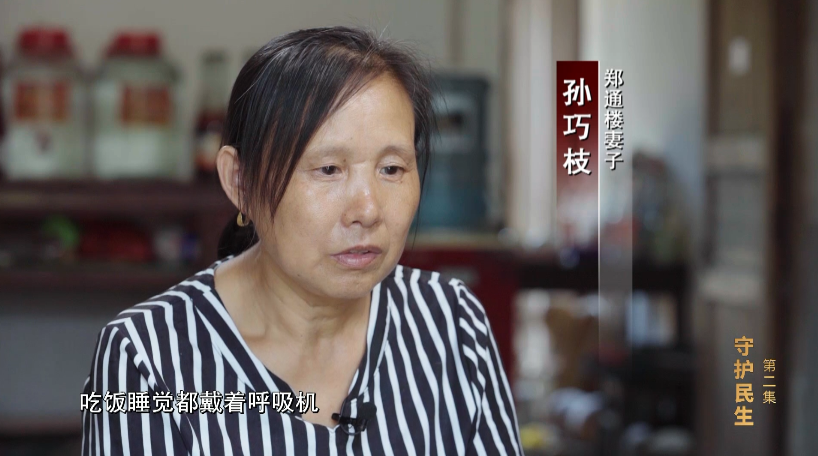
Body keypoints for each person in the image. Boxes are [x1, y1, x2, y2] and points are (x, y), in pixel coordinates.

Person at [81, 26, 522, 456]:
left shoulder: (450, 322)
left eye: (391, 169)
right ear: (240, 182)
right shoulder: (146, 356)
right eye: (329, 170)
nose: (368, 210)